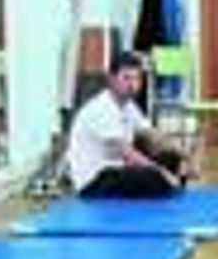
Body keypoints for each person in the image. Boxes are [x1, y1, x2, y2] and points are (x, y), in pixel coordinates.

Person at [67, 50, 188, 199]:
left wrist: (182, 155)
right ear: (111, 79)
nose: (133, 84)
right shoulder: (102, 108)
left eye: (137, 79)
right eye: (127, 78)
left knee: (171, 158)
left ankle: (163, 187)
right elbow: (126, 152)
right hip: (94, 182)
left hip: (117, 171)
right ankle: (162, 188)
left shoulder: (128, 106)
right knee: (154, 177)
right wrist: (161, 173)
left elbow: (152, 134)